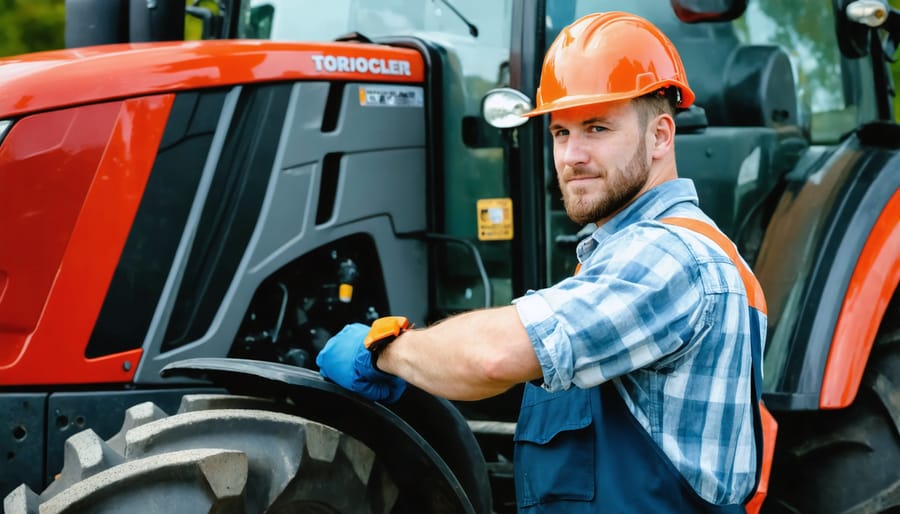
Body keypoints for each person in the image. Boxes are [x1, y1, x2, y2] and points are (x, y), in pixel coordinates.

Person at [316, 11, 766, 514]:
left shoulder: (669, 256)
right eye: (560, 133)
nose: (571, 155)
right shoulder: (612, 260)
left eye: (596, 127)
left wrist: (385, 349)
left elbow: (495, 356)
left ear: (661, 136)